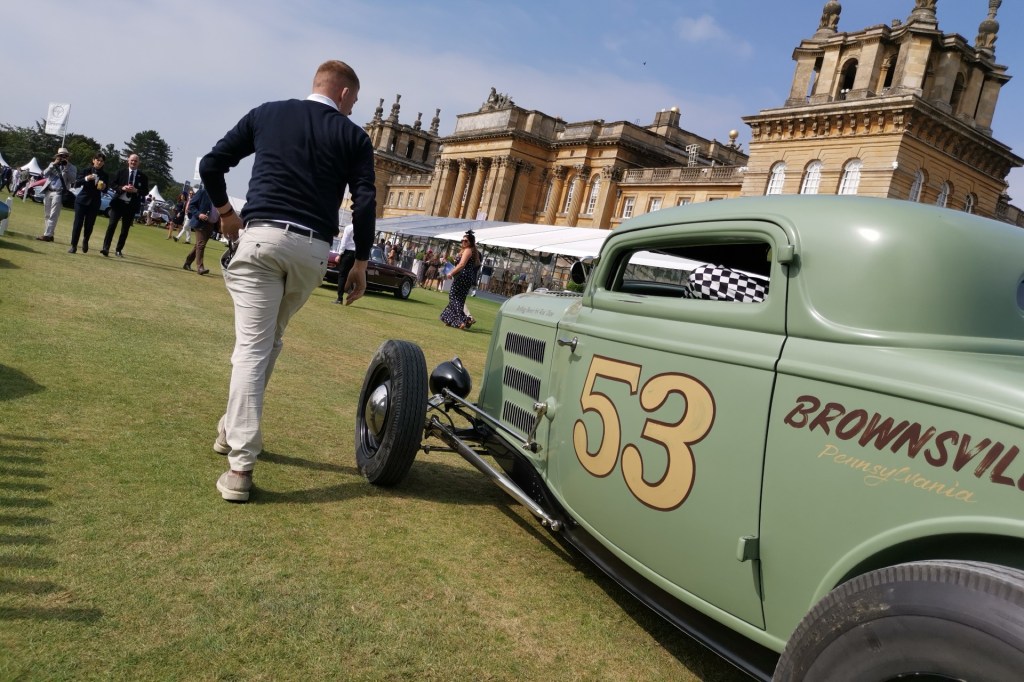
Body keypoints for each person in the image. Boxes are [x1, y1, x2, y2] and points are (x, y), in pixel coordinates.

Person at [199, 59, 376, 502]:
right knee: (267, 343)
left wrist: (224, 212)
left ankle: (239, 464)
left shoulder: (268, 113)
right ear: (342, 93)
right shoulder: (353, 135)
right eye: (354, 98)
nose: (354, 107)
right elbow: (365, 202)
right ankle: (229, 429)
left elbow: (211, 163)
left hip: (261, 239)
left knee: (253, 349)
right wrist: (360, 262)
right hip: (313, 252)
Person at [100, 154, 147, 257]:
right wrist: (122, 188)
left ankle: (118, 250)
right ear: (128, 161)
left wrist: (136, 190)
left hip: (131, 206)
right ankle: (105, 248)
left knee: (125, 229)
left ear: (139, 163)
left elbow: (145, 191)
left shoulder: (142, 177)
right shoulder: (121, 172)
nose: (133, 162)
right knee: (112, 226)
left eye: (135, 161)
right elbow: (113, 184)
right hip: (118, 203)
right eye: (132, 160)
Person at [439, 230, 481, 330]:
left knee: (453, 296)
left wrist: (451, 273)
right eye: (462, 240)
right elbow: (477, 264)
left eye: (465, 241)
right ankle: (452, 320)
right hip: (467, 276)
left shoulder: (467, 250)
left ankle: (462, 320)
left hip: (462, 276)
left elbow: (462, 265)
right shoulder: (472, 251)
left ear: (470, 242)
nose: (463, 242)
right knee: (460, 299)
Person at [68, 152, 108, 253]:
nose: (99, 162)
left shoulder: (105, 175)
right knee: (77, 224)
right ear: (93, 160)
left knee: (89, 224)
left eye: (101, 161)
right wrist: (86, 178)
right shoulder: (86, 170)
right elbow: (76, 183)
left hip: (95, 202)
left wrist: (104, 187)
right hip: (82, 200)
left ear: (103, 163)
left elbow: (105, 190)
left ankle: (85, 240)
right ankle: (73, 245)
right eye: (97, 160)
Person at [35, 147, 77, 242]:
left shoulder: (72, 167)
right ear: (57, 156)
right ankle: (50, 234)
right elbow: (44, 174)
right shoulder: (53, 164)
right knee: (47, 214)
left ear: (68, 157)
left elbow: (73, 180)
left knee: (53, 215)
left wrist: (66, 168)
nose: (63, 158)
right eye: (61, 156)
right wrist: (53, 164)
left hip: (59, 192)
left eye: (65, 156)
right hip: (48, 191)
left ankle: (47, 235)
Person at [182, 186, 217, 275]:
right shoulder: (202, 192)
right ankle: (200, 267)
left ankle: (187, 263)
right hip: (200, 222)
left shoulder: (218, 195)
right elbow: (191, 205)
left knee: (198, 245)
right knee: (201, 244)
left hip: (211, 224)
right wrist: (199, 214)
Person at [331, 223, 357, 304]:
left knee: (342, 275)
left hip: (348, 253)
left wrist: (340, 254)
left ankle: (340, 298)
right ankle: (351, 295)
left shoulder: (349, 227)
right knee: (353, 276)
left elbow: (344, 241)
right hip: (357, 254)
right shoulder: (363, 228)